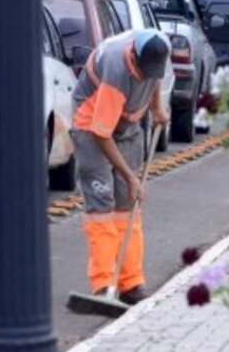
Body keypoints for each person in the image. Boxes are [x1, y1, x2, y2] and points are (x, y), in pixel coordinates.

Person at [71, 29, 171, 305]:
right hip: (92, 125)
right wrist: (129, 175)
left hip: (128, 125)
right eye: (143, 69)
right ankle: (103, 284)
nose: (146, 74)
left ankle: (130, 283)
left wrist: (157, 109)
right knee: (102, 205)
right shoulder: (116, 70)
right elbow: (101, 133)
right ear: (133, 57)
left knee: (128, 205)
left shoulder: (158, 50)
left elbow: (155, 79)